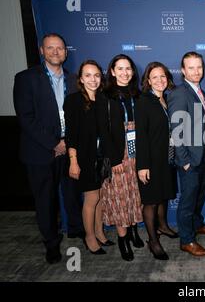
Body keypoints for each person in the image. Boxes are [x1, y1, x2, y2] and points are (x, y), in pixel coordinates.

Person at [13, 33, 84, 264]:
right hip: (41, 152)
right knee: (46, 200)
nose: (55, 52)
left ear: (66, 52)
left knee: (72, 194)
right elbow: (26, 118)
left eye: (60, 48)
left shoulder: (74, 80)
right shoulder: (25, 78)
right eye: (50, 48)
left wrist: (68, 143)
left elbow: (79, 115)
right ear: (42, 51)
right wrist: (55, 143)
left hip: (70, 148)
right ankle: (51, 244)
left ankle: (76, 230)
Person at [167, 52, 205, 257]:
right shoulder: (179, 93)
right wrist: (184, 161)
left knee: (199, 196)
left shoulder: (199, 91)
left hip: (204, 154)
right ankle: (186, 240)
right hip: (190, 159)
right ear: (183, 70)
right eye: (191, 67)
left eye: (199, 67)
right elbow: (176, 130)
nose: (196, 71)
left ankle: (196, 225)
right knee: (188, 201)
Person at [64, 60, 114, 255]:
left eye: (96, 75)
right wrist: (73, 161)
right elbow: (71, 135)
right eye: (88, 75)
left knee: (101, 197)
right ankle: (90, 237)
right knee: (91, 198)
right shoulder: (73, 101)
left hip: (103, 157)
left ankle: (100, 232)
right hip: (84, 158)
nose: (93, 79)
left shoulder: (103, 99)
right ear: (81, 79)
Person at [97, 54, 144, 261]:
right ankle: (123, 239)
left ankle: (134, 229)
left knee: (136, 193)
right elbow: (103, 132)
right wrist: (114, 159)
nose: (125, 73)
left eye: (128, 69)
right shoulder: (105, 96)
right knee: (120, 198)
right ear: (113, 71)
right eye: (120, 69)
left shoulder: (138, 95)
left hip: (138, 151)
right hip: (118, 153)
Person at [136, 62, 178, 260]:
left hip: (167, 157)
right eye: (154, 77)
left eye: (162, 76)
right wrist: (142, 165)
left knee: (163, 195)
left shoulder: (167, 99)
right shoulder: (144, 101)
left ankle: (163, 226)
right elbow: (141, 136)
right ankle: (153, 241)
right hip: (150, 160)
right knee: (151, 201)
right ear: (148, 81)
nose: (159, 80)